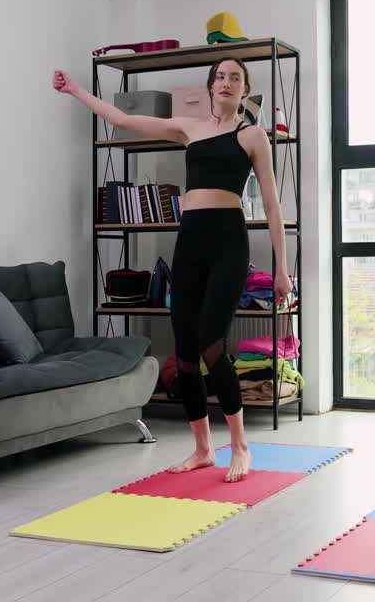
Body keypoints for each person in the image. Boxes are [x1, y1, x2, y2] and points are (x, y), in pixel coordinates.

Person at [53, 57, 292, 483]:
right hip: (191, 241)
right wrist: (75, 91)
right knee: (183, 352)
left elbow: (273, 206)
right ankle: (202, 449)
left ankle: (239, 446)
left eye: (235, 78)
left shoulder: (253, 135)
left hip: (228, 242)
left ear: (245, 89)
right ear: (210, 85)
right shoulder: (189, 128)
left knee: (212, 344)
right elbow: (123, 117)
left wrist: (282, 270)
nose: (226, 82)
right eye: (220, 76)